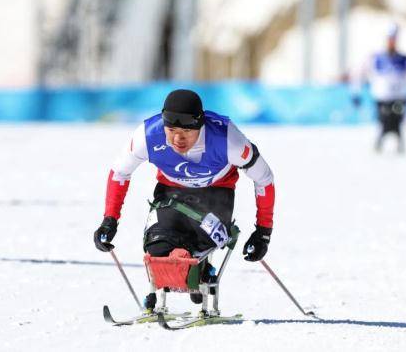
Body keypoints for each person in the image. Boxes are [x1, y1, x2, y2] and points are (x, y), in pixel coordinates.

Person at [93, 89, 275, 308]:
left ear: (201, 125)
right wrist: (109, 219)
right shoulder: (148, 135)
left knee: (196, 250)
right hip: (171, 193)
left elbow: (264, 178)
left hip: (216, 194)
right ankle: (187, 275)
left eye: (186, 132)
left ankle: (199, 271)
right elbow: (120, 173)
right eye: (171, 130)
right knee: (157, 249)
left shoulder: (227, 139)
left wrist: (263, 232)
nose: (177, 138)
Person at [351, 23, 406, 153]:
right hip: (382, 98)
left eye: (394, 40)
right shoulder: (375, 58)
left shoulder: (405, 59)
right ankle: (380, 142)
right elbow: (359, 74)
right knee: (385, 120)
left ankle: (399, 144)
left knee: (397, 120)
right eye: (390, 39)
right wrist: (356, 92)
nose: (391, 43)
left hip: (399, 98)